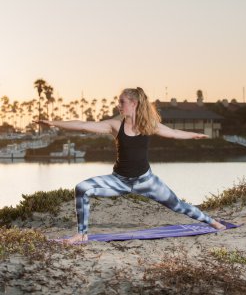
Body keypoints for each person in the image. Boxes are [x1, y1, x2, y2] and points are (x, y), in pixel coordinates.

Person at [38, 87, 225, 244]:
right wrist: (52, 122)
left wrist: (194, 135)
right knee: (82, 188)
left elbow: (173, 132)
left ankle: (213, 222)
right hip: (119, 181)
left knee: (178, 205)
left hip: (147, 181)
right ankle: (82, 234)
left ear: (134, 103)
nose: (118, 106)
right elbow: (82, 125)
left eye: (122, 102)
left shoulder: (148, 125)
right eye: (118, 102)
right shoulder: (114, 125)